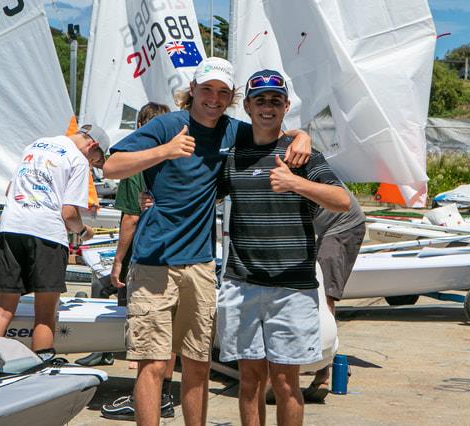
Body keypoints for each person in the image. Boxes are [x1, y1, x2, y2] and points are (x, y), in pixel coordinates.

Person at [103, 57, 312, 426]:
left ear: (231, 98)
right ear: (193, 91)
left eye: (222, 92)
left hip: (200, 264)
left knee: (198, 363)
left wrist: (303, 136)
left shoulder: (234, 131)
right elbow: (110, 166)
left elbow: (275, 129)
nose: (213, 99)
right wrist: (164, 151)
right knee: (152, 363)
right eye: (207, 90)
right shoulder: (168, 125)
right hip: (154, 261)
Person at [217, 69, 350, 426]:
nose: (267, 107)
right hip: (242, 284)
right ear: (246, 106)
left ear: (286, 106)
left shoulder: (301, 156)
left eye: (276, 100)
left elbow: (342, 201)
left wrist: (295, 183)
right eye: (260, 100)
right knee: (249, 381)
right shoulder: (232, 157)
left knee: (286, 382)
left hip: (292, 287)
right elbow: (198, 193)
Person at [0, 124, 109, 351]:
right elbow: (68, 214)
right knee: (45, 314)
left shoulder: (36, 145)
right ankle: (42, 367)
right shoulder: (78, 160)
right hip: (47, 233)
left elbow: (9, 189)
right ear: (93, 146)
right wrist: (83, 232)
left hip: (11, 226)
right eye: (96, 161)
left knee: (2, 310)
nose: (93, 165)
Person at [98, 102, 178, 420]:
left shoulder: (137, 161)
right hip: (178, 252)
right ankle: (166, 395)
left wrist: (117, 261)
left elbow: (130, 217)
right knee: (167, 329)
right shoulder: (178, 156)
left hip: (147, 254)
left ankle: (144, 397)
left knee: (145, 332)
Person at [303, 189, 366, 402]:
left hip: (342, 226)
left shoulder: (291, 167)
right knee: (319, 294)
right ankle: (321, 369)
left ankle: (323, 374)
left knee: (324, 297)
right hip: (331, 228)